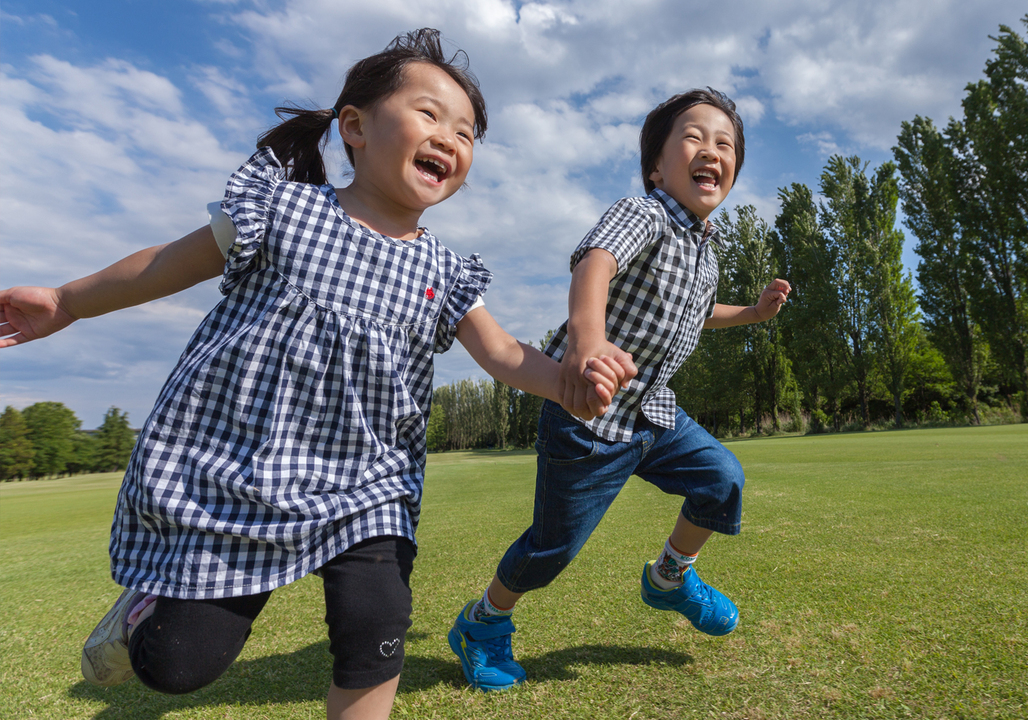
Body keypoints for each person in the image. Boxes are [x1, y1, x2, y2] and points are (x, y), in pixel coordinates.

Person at [0, 29, 634, 719]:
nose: (450, 138)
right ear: (355, 127)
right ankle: (145, 612)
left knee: (378, 618)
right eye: (430, 114)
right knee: (178, 664)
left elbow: (503, 354)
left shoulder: (446, 271)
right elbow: (167, 263)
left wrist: (567, 382)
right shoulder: (282, 210)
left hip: (369, 482)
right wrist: (67, 301)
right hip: (242, 472)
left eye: (467, 133)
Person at [447, 88, 792, 691]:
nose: (712, 149)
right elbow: (596, 262)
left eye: (725, 143)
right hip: (587, 419)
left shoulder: (705, 252)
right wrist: (587, 341)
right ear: (657, 167)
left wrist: (752, 315)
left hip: (654, 416)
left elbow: (697, 310)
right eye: (693, 136)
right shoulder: (646, 213)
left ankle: (669, 577)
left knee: (722, 480)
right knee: (552, 548)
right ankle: (482, 622)